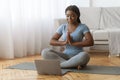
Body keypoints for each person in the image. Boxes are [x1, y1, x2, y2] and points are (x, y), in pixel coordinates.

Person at [41, 5, 94, 69]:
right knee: (45, 52)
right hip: (64, 56)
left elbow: (90, 42)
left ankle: (60, 65)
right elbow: (52, 41)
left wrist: (73, 43)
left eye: (72, 16)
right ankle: (72, 64)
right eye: (67, 16)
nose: (69, 18)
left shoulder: (83, 27)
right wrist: (64, 42)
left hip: (78, 56)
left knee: (85, 56)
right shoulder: (63, 27)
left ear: (77, 15)